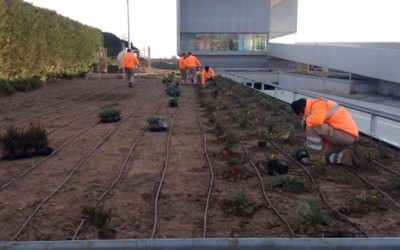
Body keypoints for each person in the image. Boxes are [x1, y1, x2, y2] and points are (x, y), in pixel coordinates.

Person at [291, 97, 363, 166]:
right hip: (345, 135)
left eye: (301, 115)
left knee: (311, 127)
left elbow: (318, 121)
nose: (303, 117)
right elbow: (324, 132)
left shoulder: (317, 104)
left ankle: (316, 159)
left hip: (345, 134)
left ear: (303, 109)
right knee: (322, 154)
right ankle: (350, 157)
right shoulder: (316, 107)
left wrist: (306, 121)